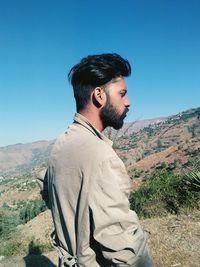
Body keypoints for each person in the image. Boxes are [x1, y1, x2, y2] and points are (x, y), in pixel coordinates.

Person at [46, 53, 153, 267]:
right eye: (122, 94)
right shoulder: (100, 156)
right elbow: (126, 251)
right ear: (99, 95)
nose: (128, 102)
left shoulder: (60, 145)